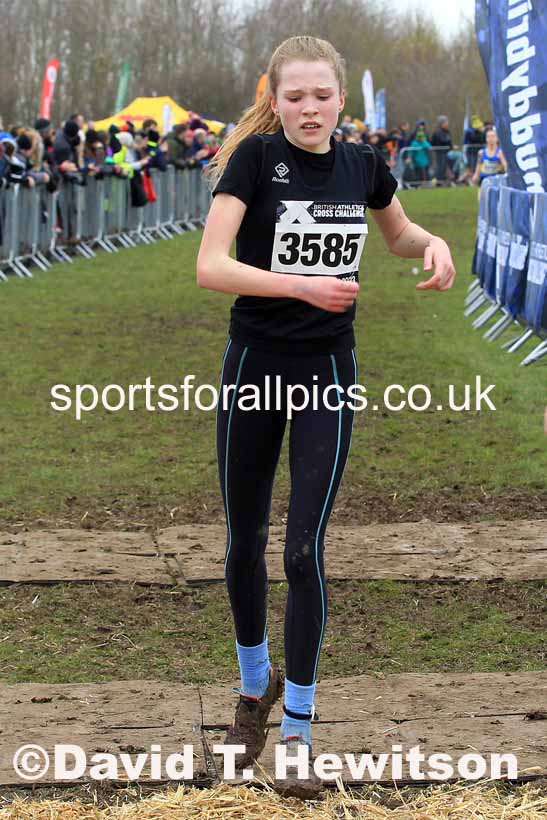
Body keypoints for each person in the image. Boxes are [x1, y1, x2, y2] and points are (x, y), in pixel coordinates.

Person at [196, 34, 456, 798]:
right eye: (295, 96)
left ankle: (301, 733)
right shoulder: (254, 161)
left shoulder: (363, 163)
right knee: (243, 540)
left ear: (341, 98)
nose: (309, 108)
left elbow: (397, 230)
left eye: (321, 95)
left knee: (303, 551)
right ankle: (254, 690)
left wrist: (430, 242)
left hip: (326, 373)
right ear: (273, 98)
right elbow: (210, 266)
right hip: (254, 366)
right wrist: (300, 285)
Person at [471, 126, 507, 195]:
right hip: (484, 180)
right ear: (486, 139)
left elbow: (506, 169)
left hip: (496, 181)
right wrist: (475, 176)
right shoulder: (481, 153)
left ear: (497, 138)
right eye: (488, 137)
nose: (491, 139)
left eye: (493, 136)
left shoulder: (500, 152)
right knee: (482, 203)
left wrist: (502, 159)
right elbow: (478, 167)